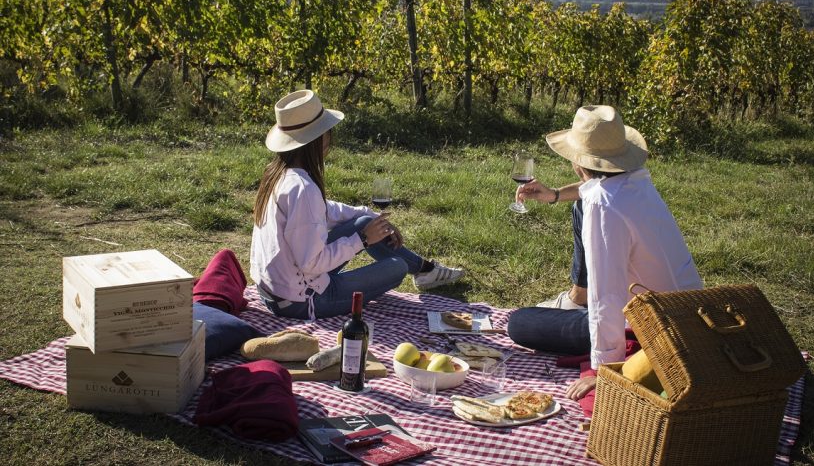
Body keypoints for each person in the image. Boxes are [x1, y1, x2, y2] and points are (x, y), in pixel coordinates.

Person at [507, 105, 702, 401]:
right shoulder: (635, 179)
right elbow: (590, 190)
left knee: (520, 322)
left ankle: (578, 309)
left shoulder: (603, 206)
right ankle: (577, 305)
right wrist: (554, 194)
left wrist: (606, 368)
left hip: (654, 330)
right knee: (579, 205)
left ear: (577, 161)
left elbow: (607, 292)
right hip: (688, 312)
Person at [250, 90, 464, 320]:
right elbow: (312, 263)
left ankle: (424, 270)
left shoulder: (279, 174)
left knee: (363, 222)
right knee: (397, 267)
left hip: (277, 290)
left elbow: (324, 210)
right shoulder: (303, 189)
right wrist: (361, 240)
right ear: (319, 139)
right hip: (301, 300)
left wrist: (371, 217)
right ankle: (422, 270)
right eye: (327, 131)